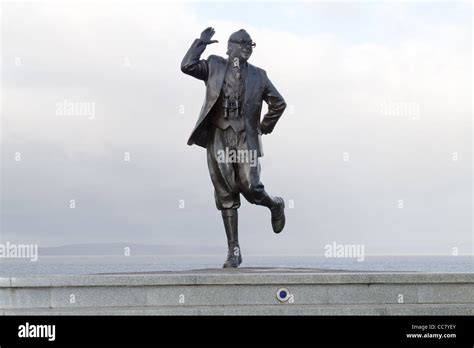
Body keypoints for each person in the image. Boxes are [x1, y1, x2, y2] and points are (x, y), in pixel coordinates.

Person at [181, 27, 287, 268]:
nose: (247, 48)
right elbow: (187, 66)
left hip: (245, 138)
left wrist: (264, 126)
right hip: (219, 135)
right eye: (242, 44)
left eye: (250, 45)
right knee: (226, 193)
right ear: (230, 47)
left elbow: (278, 103)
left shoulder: (259, 75)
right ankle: (234, 250)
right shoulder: (214, 66)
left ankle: (274, 204)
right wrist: (200, 43)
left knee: (250, 188)